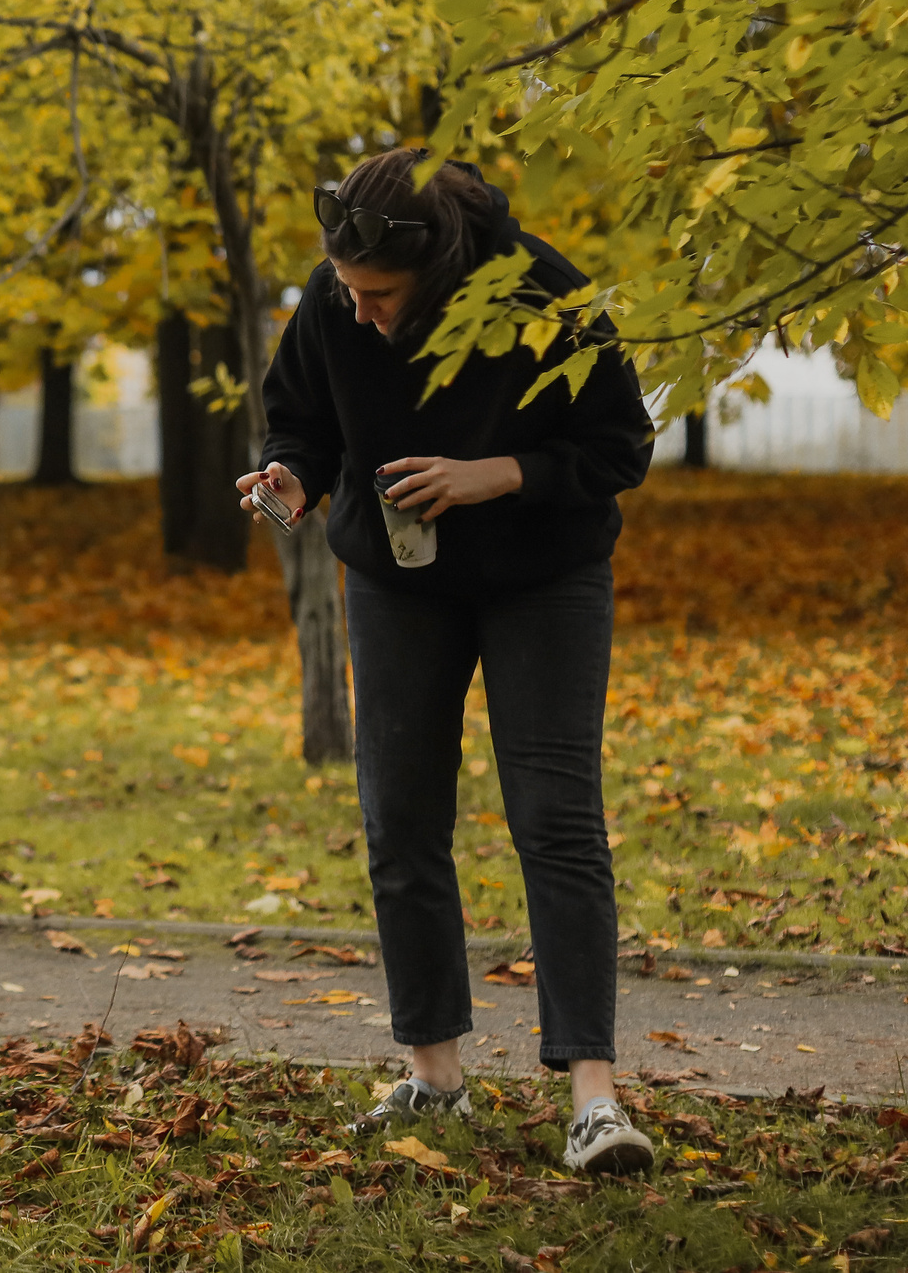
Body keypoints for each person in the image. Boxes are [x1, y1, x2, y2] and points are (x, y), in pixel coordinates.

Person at [237, 150, 659, 1177]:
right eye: (347, 291)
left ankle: (594, 1101)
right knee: (400, 821)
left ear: (436, 272)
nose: (361, 312)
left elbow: (619, 444)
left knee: (555, 821)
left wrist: (494, 474)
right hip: (395, 583)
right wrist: (292, 477)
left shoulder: (544, 295)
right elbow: (302, 417)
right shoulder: (336, 302)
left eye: (379, 296)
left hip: (542, 574)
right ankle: (435, 1074)